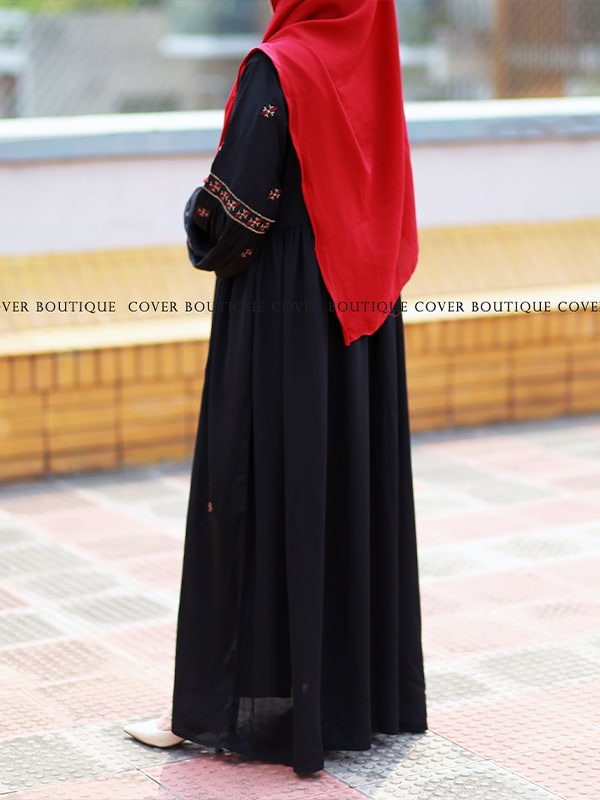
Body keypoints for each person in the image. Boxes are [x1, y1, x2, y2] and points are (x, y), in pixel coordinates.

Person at [124, 0, 427, 776]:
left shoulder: (280, 68)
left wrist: (197, 220)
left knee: (251, 490)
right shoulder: (371, 68)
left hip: (281, 323)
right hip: (358, 317)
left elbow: (233, 216)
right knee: (339, 493)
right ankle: (354, 703)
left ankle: (218, 710)